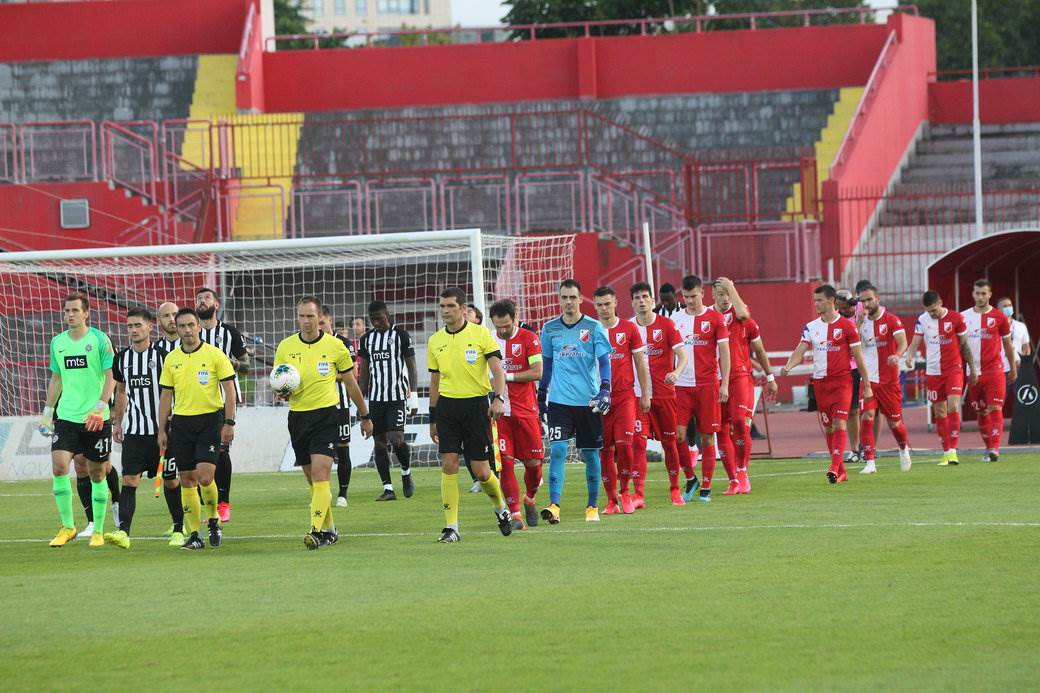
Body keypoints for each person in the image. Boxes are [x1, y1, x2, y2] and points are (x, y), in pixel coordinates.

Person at [274, 296, 373, 549]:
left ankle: (315, 531)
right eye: (302, 316)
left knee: (321, 475)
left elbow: (351, 383)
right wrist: (281, 392)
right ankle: (330, 529)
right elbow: (280, 382)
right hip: (298, 417)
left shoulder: (335, 346)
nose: (306, 321)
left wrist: (365, 416)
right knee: (312, 480)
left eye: (310, 316)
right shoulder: (285, 346)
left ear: (320, 318)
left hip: (327, 416)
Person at [427, 287, 512, 542]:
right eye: (442, 306)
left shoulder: (481, 334)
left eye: (451, 306)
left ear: (463, 309)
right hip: (447, 409)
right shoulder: (435, 341)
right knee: (449, 463)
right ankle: (451, 527)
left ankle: (501, 508)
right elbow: (434, 382)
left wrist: (498, 398)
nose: (445, 311)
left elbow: (498, 371)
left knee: (482, 472)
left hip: (476, 407)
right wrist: (432, 418)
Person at [39, 293, 117, 548]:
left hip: (96, 418)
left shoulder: (99, 340)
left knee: (96, 473)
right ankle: (68, 527)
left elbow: (111, 376)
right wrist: (48, 412)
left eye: (74, 310)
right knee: (59, 467)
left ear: (86, 313)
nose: (69, 314)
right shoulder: (58, 343)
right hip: (67, 417)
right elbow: (56, 379)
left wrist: (100, 406)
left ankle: (98, 530)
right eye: (66, 311)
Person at [157, 307, 236, 550]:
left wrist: (229, 422)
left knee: (205, 477)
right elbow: (165, 397)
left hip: (210, 421)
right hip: (181, 424)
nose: (187, 330)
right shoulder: (171, 359)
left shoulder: (215, 355)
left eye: (191, 325)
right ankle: (194, 535)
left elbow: (230, 392)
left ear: (198, 327)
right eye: (182, 326)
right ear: (176, 329)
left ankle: (213, 521)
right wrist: (162, 430)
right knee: (187, 480)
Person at [537, 279, 612, 523]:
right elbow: (547, 365)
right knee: (557, 450)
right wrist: (541, 394)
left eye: (572, 297)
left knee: (590, 454)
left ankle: (592, 507)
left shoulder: (594, 327)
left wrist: (605, 389)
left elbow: (603, 362)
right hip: (559, 402)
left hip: (588, 403)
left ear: (581, 299)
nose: (568, 302)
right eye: (564, 297)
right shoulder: (549, 329)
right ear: (559, 299)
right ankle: (554, 505)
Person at [781, 285, 872, 484]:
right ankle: (841, 471)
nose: (816, 304)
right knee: (829, 428)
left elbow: (859, 357)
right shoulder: (811, 327)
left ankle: (833, 466)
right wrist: (788, 365)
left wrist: (866, 384)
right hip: (821, 384)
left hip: (842, 382)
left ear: (831, 301)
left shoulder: (848, 327)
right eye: (815, 301)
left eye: (819, 300)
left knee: (840, 422)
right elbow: (800, 350)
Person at [107, 307, 182, 548]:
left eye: (138, 325)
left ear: (150, 326)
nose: (133, 330)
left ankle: (179, 529)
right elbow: (120, 391)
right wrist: (118, 422)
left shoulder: (164, 356)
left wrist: (172, 424)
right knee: (129, 480)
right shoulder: (122, 359)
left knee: (171, 480)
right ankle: (123, 532)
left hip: (163, 432)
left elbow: (175, 390)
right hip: (135, 433)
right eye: (130, 326)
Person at [712, 277, 778, 494]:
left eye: (727, 294)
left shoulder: (742, 319)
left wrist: (770, 377)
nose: (724, 298)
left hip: (739, 376)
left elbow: (760, 350)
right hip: (713, 379)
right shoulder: (707, 317)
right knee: (720, 430)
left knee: (740, 422)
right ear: (712, 295)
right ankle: (733, 479)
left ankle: (742, 472)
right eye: (720, 294)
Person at [671, 275, 730, 503]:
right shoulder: (676, 319)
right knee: (678, 436)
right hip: (682, 387)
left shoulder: (715, 319)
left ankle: (706, 486)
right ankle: (690, 477)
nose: (690, 301)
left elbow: (724, 352)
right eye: (686, 297)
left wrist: (724, 382)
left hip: (707, 385)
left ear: (702, 293)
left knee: (707, 437)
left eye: (693, 296)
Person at [593, 286, 650, 515]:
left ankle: (625, 492)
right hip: (598, 400)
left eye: (608, 303)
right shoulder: (590, 331)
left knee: (626, 447)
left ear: (616, 302)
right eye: (599, 305)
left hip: (625, 397)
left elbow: (640, 363)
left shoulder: (629, 329)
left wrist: (644, 394)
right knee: (604, 450)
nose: (604, 309)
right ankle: (610, 500)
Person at [630, 282, 688, 506]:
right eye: (637, 297)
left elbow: (682, 356)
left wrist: (676, 372)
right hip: (637, 395)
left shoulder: (667, 325)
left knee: (669, 442)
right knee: (638, 443)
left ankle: (675, 489)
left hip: (664, 394)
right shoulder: (628, 328)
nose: (642, 301)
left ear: (652, 301)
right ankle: (639, 495)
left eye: (645, 296)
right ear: (632, 302)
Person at [489, 299, 544, 529]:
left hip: (526, 411)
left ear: (515, 318)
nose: (502, 331)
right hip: (500, 415)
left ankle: (529, 498)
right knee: (506, 465)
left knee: (533, 465)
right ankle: (515, 515)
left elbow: (537, 372)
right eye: (498, 326)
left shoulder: (528, 338)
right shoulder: (489, 341)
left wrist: (504, 376)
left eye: (506, 325)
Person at [905, 291, 977, 466]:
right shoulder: (922, 320)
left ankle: (953, 450)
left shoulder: (956, 318)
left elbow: (965, 345)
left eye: (934, 310)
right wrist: (909, 356)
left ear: (941, 303)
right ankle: (946, 452)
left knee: (953, 406)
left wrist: (972, 369)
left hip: (953, 369)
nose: (932, 314)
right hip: (933, 372)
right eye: (929, 311)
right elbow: (915, 342)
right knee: (940, 413)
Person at [195, 287, 249, 523]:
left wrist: (230, 364)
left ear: (216, 304)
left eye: (206, 298)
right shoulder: (189, 333)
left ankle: (223, 503)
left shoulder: (230, 333)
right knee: (197, 455)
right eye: (198, 298)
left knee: (221, 450)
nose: (201, 301)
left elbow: (246, 367)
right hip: (196, 401)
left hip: (223, 401)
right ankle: (203, 506)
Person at [357, 300, 419, 501]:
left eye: (379, 318)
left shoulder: (400, 335)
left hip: (397, 396)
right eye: (372, 319)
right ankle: (388, 488)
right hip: (376, 399)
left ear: (387, 315)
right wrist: (361, 403)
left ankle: (406, 473)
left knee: (396, 438)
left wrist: (414, 395)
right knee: (379, 443)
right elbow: (364, 371)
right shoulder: (367, 340)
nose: (376, 323)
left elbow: (411, 366)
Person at [856, 284, 912, 474]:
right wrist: (857, 323)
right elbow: (851, 346)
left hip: (888, 381)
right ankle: (870, 461)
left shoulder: (891, 320)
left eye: (869, 299)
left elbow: (904, 342)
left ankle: (903, 448)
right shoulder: (860, 322)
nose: (866, 303)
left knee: (894, 423)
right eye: (862, 300)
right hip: (868, 380)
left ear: (877, 299)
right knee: (867, 416)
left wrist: (897, 354)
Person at [961, 280, 1017, 462]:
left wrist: (1013, 368)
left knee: (995, 408)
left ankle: (994, 448)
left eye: (983, 294)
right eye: (977, 293)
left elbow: (1008, 345)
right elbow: (959, 345)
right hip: (973, 372)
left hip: (995, 370)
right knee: (982, 412)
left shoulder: (1000, 317)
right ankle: (988, 447)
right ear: (972, 294)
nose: (980, 297)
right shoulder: (963, 317)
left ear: (990, 294)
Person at [319, 306, 358, 508]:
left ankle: (343, 493)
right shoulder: (310, 344)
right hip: (317, 407)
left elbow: (354, 373)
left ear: (330, 320)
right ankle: (320, 495)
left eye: (322, 323)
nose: (319, 327)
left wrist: (327, 377)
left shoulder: (342, 342)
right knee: (319, 453)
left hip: (340, 405)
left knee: (343, 449)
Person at [835, 290, 862, 464]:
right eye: (847, 305)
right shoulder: (837, 320)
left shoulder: (862, 309)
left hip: (866, 368)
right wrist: (857, 325)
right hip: (848, 369)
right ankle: (855, 450)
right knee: (852, 412)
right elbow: (850, 339)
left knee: (871, 411)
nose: (851, 308)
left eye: (852, 304)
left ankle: (869, 449)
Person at [997, 296, 1032, 366]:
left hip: (1018, 366)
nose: (1008, 308)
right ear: (998, 310)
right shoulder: (994, 326)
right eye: (1005, 306)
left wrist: (1024, 359)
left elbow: (1026, 346)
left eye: (1010, 305)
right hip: (1000, 366)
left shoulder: (1021, 326)